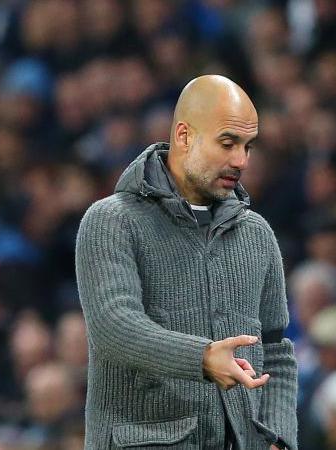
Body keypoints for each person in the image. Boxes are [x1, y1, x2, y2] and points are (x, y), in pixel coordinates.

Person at [75, 75, 297, 450]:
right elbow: (115, 326)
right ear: (183, 136)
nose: (240, 160)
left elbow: (275, 348)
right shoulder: (112, 220)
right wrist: (203, 357)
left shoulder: (256, 233)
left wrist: (278, 438)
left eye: (247, 146)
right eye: (227, 143)